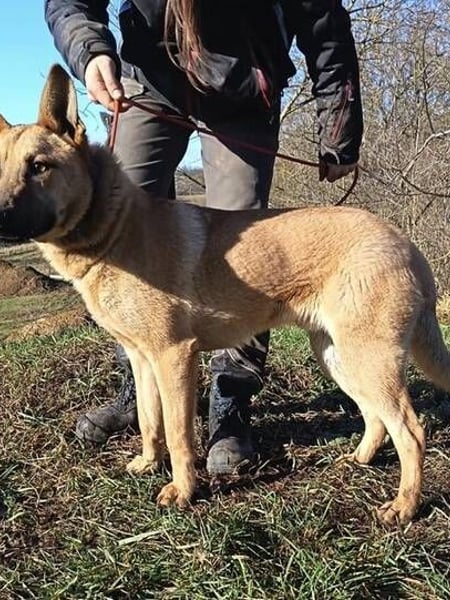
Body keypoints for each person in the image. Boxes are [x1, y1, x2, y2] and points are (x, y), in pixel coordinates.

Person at [45, 0, 363, 475]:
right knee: (120, 230)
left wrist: (339, 128)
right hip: (148, 75)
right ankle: (142, 390)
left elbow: (321, 18)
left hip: (243, 82)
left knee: (248, 250)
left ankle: (232, 400)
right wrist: (90, 51)